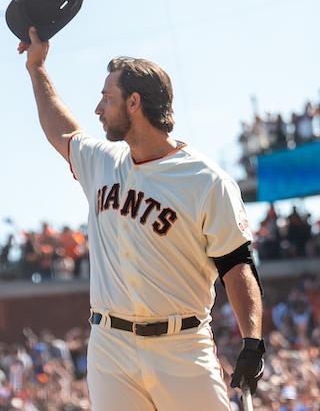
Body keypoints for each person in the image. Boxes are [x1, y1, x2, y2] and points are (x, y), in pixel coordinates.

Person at [17, 26, 264, 410]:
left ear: (134, 103)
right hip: (110, 346)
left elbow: (237, 266)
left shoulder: (205, 180)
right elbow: (61, 129)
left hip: (181, 345)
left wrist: (252, 341)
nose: (98, 109)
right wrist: (37, 68)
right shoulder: (102, 161)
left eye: (106, 99)